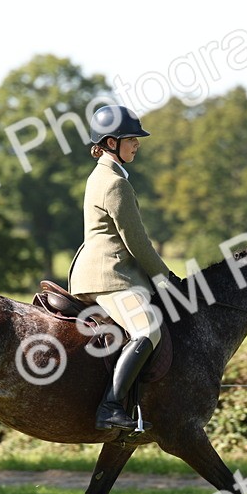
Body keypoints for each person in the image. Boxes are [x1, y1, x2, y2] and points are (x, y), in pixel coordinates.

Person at [68, 105, 176, 432]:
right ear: (111, 142)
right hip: (109, 276)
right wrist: (166, 278)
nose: (137, 144)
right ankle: (110, 406)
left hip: (107, 272)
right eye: (132, 139)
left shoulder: (106, 176)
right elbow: (137, 243)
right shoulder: (115, 183)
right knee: (148, 330)